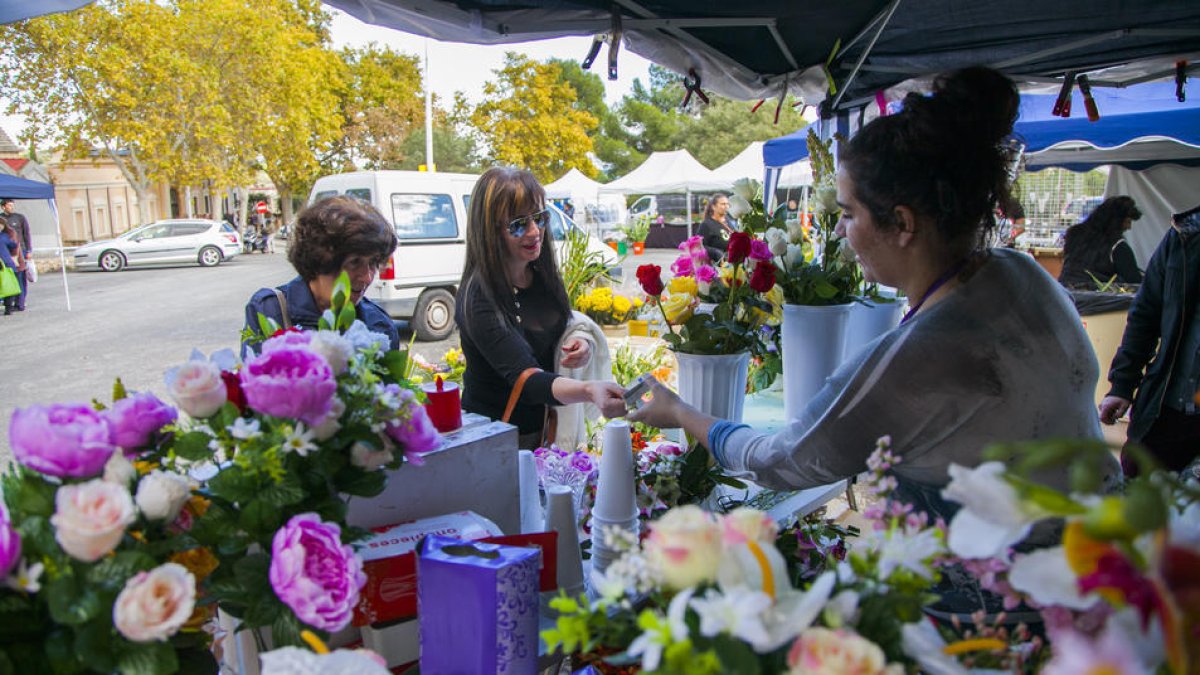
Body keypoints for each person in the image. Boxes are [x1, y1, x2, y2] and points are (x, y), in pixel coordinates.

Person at [630, 67, 1118, 523]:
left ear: (902, 224)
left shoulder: (927, 352)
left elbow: (781, 461)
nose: (840, 231)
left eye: (848, 213)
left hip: (1017, 604)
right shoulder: (1020, 273)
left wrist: (677, 410)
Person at [455, 167, 626, 449]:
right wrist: (588, 390)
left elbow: (564, 326)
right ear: (489, 231)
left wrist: (579, 343)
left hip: (544, 433)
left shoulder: (540, 275)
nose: (535, 232)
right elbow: (527, 379)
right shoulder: (478, 297)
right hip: (495, 441)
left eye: (540, 218)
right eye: (518, 224)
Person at [1099, 203, 1200, 476]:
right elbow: (1146, 313)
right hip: (1169, 406)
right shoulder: (1186, 233)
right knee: (1135, 495)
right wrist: (1122, 384)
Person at [242, 196, 399, 355]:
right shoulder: (270, 310)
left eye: (373, 263)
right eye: (354, 262)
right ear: (318, 259)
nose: (367, 277)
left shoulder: (380, 325)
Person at [1058, 195, 1143, 288]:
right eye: (1128, 222)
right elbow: (1133, 280)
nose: (1129, 227)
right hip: (1099, 297)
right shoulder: (1118, 246)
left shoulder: (1073, 234)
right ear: (1116, 221)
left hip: (1065, 292)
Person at [2, 199, 32, 311]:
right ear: (3, 207)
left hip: (21, 251)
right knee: (9, 278)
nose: (11, 207)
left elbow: (26, 233)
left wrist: (29, 250)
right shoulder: (1, 219)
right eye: (9, 205)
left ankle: (20, 303)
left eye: (12, 205)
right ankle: (11, 302)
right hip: (6, 252)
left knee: (20, 276)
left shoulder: (20, 218)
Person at [697, 193, 737, 261]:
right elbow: (699, 246)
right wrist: (715, 252)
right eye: (723, 204)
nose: (726, 206)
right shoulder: (706, 224)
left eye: (727, 204)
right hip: (716, 266)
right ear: (713, 207)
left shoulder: (728, 220)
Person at [0, 217, 21, 316]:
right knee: (10, 286)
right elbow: (13, 245)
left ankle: (8, 307)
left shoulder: (4, 236)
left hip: (5, 264)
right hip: (7, 264)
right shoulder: (4, 236)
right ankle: (8, 308)